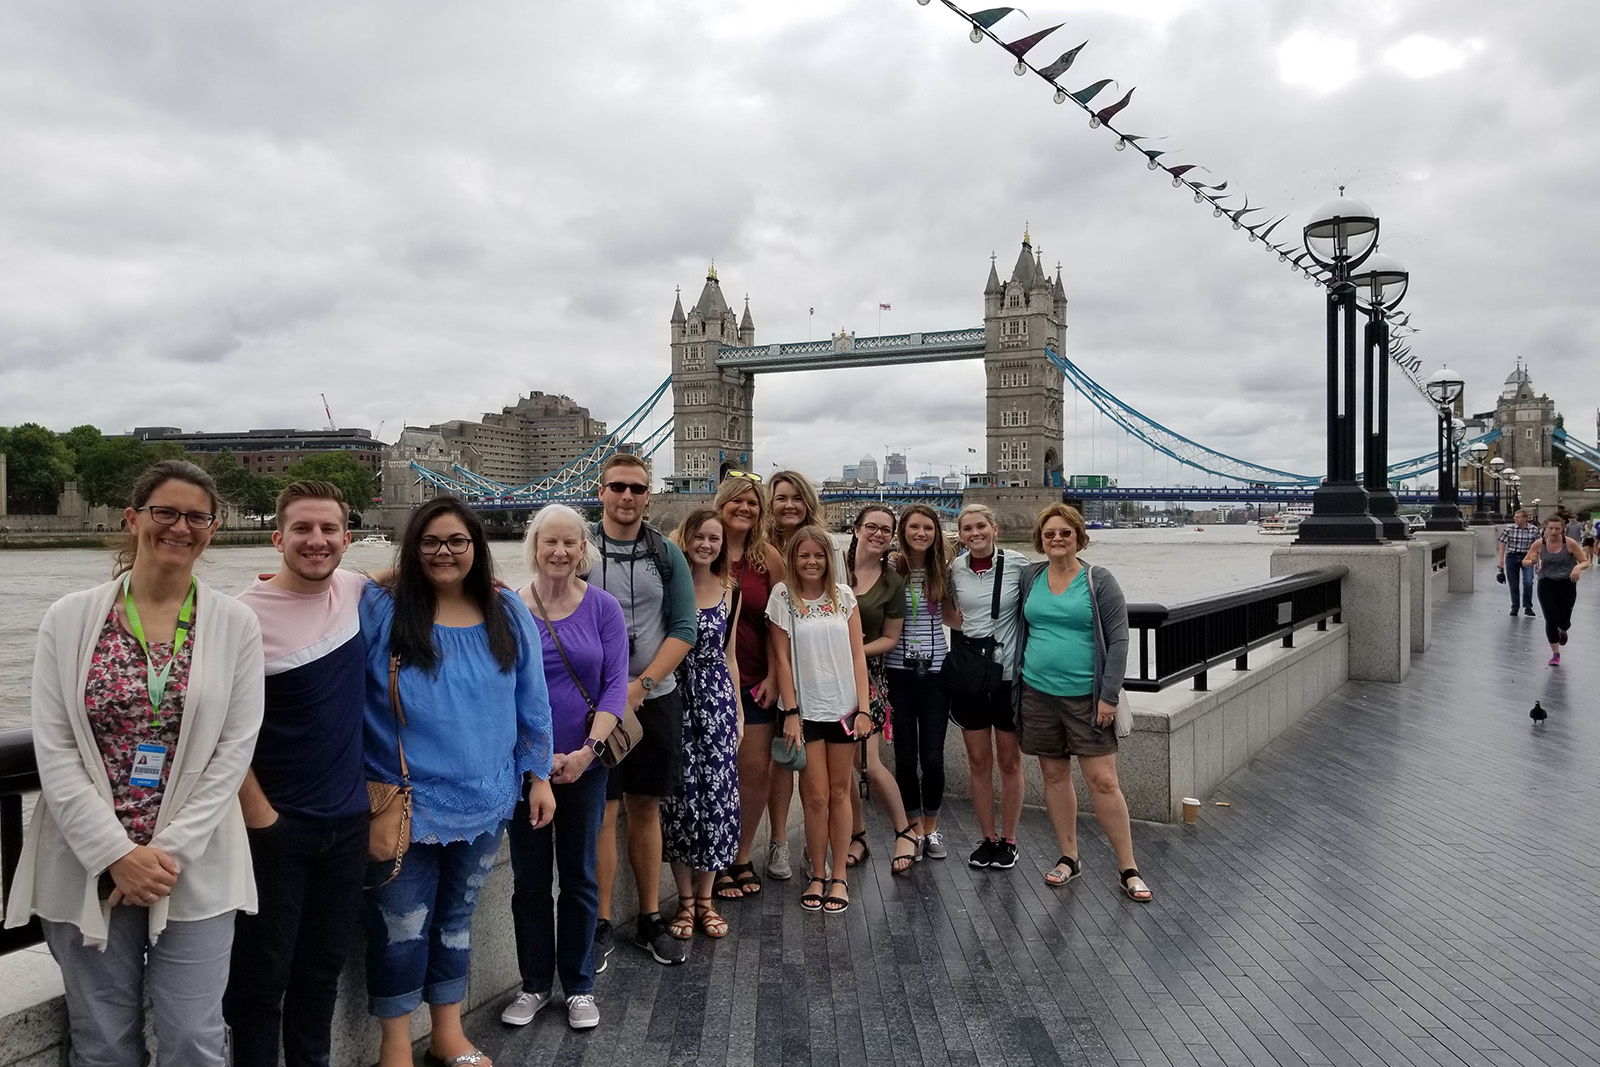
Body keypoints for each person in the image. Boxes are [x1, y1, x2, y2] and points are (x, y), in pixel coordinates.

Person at [3, 460, 264, 1063]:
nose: (180, 527)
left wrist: (163, 855)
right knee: (101, 1041)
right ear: (133, 518)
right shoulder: (68, 618)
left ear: (213, 529)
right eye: (164, 512)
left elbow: (234, 750)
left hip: (193, 860)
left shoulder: (236, 624)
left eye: (197, 516)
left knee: (194, 1036)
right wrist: (116, 854)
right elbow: (56, 748)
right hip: (85, 855)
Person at [360, 496, 554, 1067]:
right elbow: (322, 589)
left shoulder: (507, 610)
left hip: (487, 799)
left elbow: (532, 699)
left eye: (458, 542)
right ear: (411, 549)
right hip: (402, 802)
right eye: (430, 542)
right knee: (400, 926)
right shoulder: (381, 608)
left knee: (454, 923)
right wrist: (395, 570)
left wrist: (537, 775)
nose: (445, 552)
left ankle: (448, 1033)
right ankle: (394, 1045)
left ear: (478, 548)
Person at [224, 481, 370, 1067]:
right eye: (303, 529)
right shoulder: (238, 617)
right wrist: (263, 819)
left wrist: (489, 583)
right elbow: (217, 729)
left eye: (329, 529)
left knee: (321, 974)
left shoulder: (355, 590)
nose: (317, 541)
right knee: (259, 982)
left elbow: (409, 578)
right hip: (273, 832)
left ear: (347, 539)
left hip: (348, 825)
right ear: (277, 537)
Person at [502, 505, 626, 1031]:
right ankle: (533, 984)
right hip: (522, 767)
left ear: (583, 550)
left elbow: (616, 685)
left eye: (569, 544)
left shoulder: (603, 608)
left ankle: (578, 986)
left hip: (586, 763)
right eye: (549, 542)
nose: (558, 552)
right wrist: (535, 761)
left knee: (578, 875)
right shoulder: (507, 607)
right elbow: (498, 688)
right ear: (534, 546)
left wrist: (586, 753)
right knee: (529, 880)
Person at [587, 453, 697, 968]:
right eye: (617, 487)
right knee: (603, 811)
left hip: (654, 698)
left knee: (647, 806)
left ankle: (650, 918)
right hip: (591, 705)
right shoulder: (579, 549)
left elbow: (685, 629)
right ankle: (601, 920)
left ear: (648, 494)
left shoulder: (666, 554)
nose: (627, 496)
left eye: (636, 488)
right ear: (601, 491)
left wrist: (643, 683)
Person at [1016, 504, 1152, 902]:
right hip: (1037, 693)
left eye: (1065, 533)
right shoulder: (1030, 576)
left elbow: (1120, 639)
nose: (1056, 539)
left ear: (1079, 537)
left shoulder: (1098, 579)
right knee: (1055, 778)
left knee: (1104, 781)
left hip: (1087, 698)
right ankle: (1069, 857)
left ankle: (1129, 867)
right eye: (1049, 533)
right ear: (1040, 541)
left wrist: (1108, 696)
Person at [769, 525, 873, 913]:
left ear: (828, 559)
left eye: (818, 555)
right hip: (805, 711)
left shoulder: (844, 597)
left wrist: (863, 709)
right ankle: (817, 872)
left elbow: (858, 654)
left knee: (840, 793)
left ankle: (840, 878)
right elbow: (780, 658)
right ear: (794, 560)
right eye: (803, 555)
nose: (811, 562)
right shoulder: (783, 597)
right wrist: (791, 712)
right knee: (814, 797)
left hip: (843, 709)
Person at [661, 508, 742, 939]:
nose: (707, 544)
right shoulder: (668, 585)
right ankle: (685, 902)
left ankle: (707, 900)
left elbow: (729, 655)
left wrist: (739, 713)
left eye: (715, 538)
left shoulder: (731, 589)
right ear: (685, 538)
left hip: (716, 702)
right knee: (679, 798)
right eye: (700, 537)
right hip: (674, 696)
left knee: (717, 800)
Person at [711, 473, 785, 902]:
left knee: (754, 771)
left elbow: (779, 624)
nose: (745, 508)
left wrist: (776, 676)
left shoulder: (767, 558)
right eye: (736, 501)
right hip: (707, 681)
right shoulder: (694, 546)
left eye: (753, 503)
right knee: (714, 774)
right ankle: (715, 861)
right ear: (721, 504)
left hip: (755, 680)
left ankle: (740, 856)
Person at [944, 503, 1027, 870]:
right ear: (959, 535)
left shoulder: (1021, 565)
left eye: (981, 526)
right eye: (967, 529)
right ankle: (987, 838)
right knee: (978, 760)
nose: (974, 534)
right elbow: (944, 608)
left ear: (994, 528)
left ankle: (1009, 840)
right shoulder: (954, 570)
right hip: (971, 675)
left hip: (1007, 675)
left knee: (1009, 760)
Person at [842, 505, 920, 875]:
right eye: (871, 526)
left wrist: (852, 651)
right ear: (856, 529)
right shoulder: (832, 568)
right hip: (824, 677)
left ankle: (905, 832)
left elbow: (890, 639)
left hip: (868, 679)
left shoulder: (893, 583)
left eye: (886, 530)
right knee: (845, 769)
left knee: (870, 764)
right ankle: (858, 836)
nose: (878, 534)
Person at [761, 469, 827, 882]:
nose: (788, 505)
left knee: (818, 767)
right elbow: (772, 623)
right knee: (783, 760)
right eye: (780, 497)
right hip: (778, 667)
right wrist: (773, 676)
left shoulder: (820, 547)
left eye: (796, 498)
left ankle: (820, 846)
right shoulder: (762, 549)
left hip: (818, 668)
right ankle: (780, 842)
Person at [887, 504, 955, 859]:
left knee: (932, 757)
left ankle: (932, 827)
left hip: (935, 673)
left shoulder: (944, 570)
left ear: (936, 532)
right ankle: (911, 828)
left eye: (928, 528)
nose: (921, 534)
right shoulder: (891, 568)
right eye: (914, 527)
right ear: (904, 531)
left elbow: (956, 618)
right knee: (904, 755)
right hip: (898, 671)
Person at [1524, 514, 1588, 666]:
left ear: (1562, 529)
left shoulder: (1570, 544)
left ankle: (1563, 628)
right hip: (1546, 583)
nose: (1553, 532)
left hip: (1567, 583)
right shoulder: (1539, 544)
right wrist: (1531, 561)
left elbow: (1585, 561)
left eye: (1557, 529)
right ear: (1545, 528)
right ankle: (1555, 653)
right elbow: (1525, 561)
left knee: (1564, 619)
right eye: (1550, 528)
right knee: (1550, 618)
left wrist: (1577, 568)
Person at [1497, 509, 1538, 617]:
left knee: (1528, 582)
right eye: (1515, 517)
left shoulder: (1533, 529)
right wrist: (1501, 560)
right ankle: (1515, 606)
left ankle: (1528, 606)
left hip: (1527, 556)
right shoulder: (1509, 529)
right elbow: (1502, 544)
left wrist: (1536, 559)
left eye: (1519, 517)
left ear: (1525, 519)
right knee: (1513, 584)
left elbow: (1537, 546)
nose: (1516, 519)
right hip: (1512, 557)